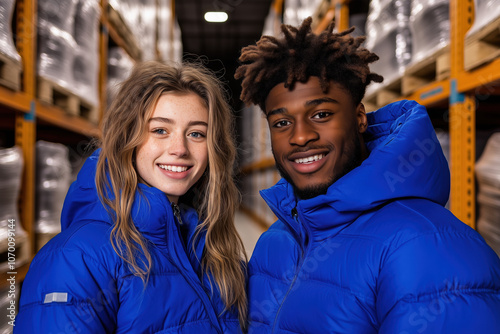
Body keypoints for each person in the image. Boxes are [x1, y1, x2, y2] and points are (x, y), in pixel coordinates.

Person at [235, 17, 500, 333]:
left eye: (321, 114)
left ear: (360, 118)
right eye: (282, 123)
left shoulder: (427, 248)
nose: (300, 136)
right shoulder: (275, 243)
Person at [15, 61, 247, 333]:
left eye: (196, 134)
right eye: (160, 130)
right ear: (128, 137)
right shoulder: (75, 257)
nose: (179, 149)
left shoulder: (212, 248)